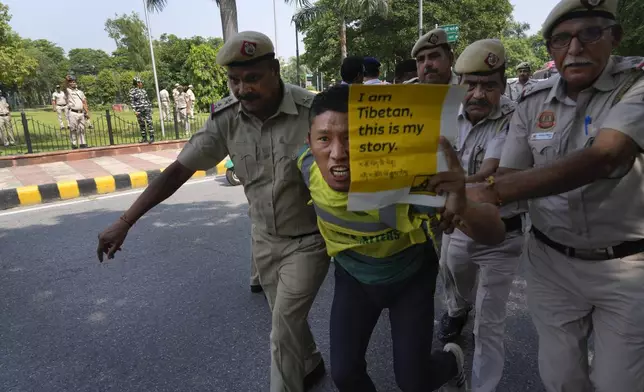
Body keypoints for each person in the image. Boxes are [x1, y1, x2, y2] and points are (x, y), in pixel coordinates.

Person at [96, 31, 329, 392]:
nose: (242, 89)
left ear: (275, 70)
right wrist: (126, 221)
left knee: (282, 327)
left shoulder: (313, 112)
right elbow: (179, 169)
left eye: (252, 78)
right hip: (264, 240)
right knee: (285, 317)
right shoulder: (228, 118)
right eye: (234, 80)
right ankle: (310, 361)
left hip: (310, 241)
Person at [466, 0, 644, 390]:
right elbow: (509, 179)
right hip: (551, 264)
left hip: (627, 266)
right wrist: (462, 203)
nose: (575, 49)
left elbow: (606, 156)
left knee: (620, 384)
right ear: (550, 50)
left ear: (615, 37)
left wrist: (485, 192)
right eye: (561, 40)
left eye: (590, 34)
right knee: (561, 379)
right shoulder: (533, 102)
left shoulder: (637, 86)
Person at [300, 84, 507, 392]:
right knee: (344, 375)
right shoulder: (306, 166)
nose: (338, 154)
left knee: (414, 382)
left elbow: (495, 233)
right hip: (353, 279)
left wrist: (461, 199)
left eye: (352, 138)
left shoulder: (407, 181)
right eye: (324, 139)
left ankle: (452, 361)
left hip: (410, 280)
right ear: (310, 143)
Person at [437, 39, 526, 392]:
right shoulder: (443, 116)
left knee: (488, 323)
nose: (477, 94)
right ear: (459, 84)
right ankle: (457, 310)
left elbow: (491, 172)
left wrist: (451, 185)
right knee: (454, 278)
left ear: (503, 86)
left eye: (488, 85)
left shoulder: (516, 118)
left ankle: (481, 386)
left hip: (503, 234)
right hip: (458, 229)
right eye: (470, 84)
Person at [64, 75, 90, 149]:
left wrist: (87, 112)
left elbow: (84, 102)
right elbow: (64, 87)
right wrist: (66, 80)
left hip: (81, 113)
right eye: (71, 82)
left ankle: (82, 143)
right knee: (73, 129)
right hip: (73, 112)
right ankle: (74, 144)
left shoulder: (80, 92)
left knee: (81, 129)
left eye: (74, 82)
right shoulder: (68, 91)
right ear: (69, 83)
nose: (73, 83)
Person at [130, 77, 154, 144]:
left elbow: (147, 100)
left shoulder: (143, 91)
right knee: (142, 124)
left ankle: (152, 137)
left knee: (149, 123)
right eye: (140, 82)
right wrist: (135, 111)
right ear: (136, 83)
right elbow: (132, 102)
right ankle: (144, 138)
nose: (141, 83)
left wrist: (150, 108)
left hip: (147, 109)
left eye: (141, 82)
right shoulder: (132, 91)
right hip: (139, 110)